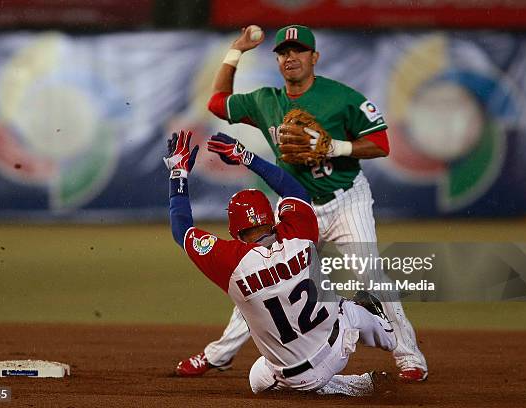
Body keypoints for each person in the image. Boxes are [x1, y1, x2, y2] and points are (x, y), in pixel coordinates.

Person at [176, 24, 428, 382]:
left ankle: (409, 357)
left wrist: (336, 147)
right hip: (296, 208)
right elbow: (216, 102)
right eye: (283, 52)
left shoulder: (341, 98)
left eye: (298, 50)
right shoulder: (266, 101)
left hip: (344, 201)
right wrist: (236, 50)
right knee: (259, 278)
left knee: (369, 273)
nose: (290, 57)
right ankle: (219, 355)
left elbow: (381, 143)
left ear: (314, 57)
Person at [165, 128, 397, 396]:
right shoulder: (299, 235)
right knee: (347, 308)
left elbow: (181, 229)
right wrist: (246, 156)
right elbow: (294, 190)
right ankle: (388, 334)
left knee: (258, 379)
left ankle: (354, 385)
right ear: (273, 218)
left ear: (233, 231)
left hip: (298, 376)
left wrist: (177, 174)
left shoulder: (232, 263)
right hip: (341, 341)